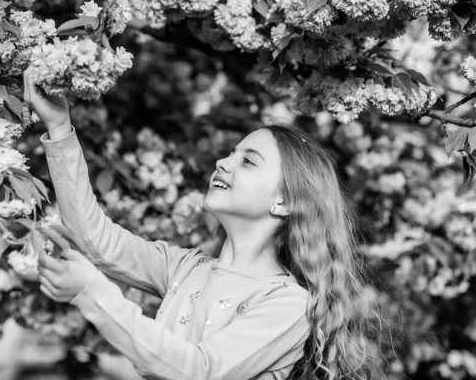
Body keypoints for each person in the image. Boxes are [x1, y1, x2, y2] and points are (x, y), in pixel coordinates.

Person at [23, 67, 393, 380]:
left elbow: (198, 371)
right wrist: (59, 129)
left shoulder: (287, 304)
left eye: (248, 162)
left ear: (285, 202)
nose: (223, 163)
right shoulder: (186, 268)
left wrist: (92, 292)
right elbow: (95, 241)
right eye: (231, 153)